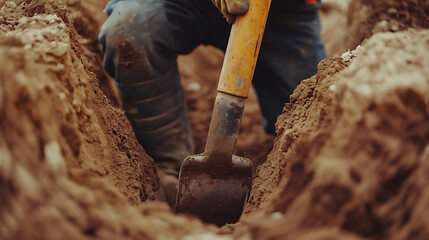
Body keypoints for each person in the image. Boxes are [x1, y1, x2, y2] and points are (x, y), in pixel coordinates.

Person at [99, 0, 326, 205]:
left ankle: (283, 183)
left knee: (311, 119)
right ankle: (166, 169)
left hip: (281, 11)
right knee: (129, 28)